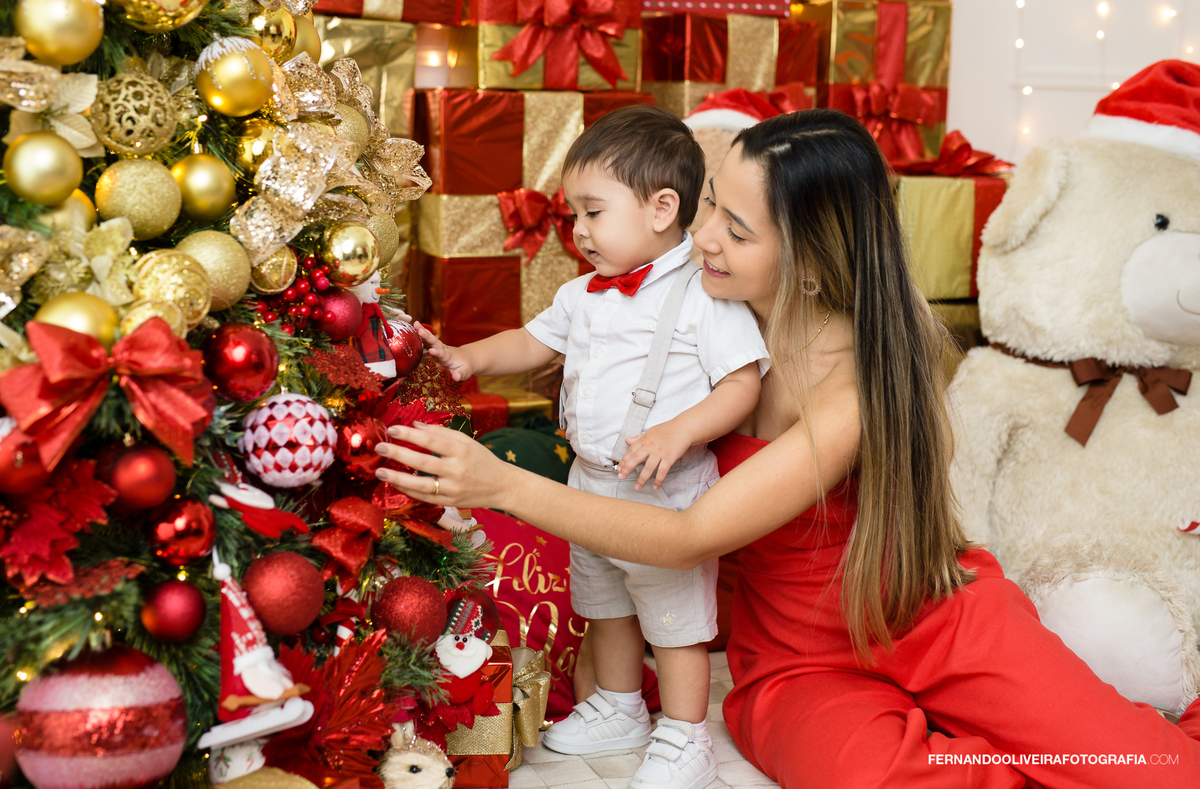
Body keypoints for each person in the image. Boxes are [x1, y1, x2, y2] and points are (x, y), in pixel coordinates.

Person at [377, 110, 1200, 788]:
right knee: (873, 781)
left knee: (1138, 769)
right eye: (707, 211)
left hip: (932, 610)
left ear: (808, 259)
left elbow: (692, 534)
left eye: (735, 229)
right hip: (799, 663)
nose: (702, 241)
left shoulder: (853, 385)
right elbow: (573, 329)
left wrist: (503, 486)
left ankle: (1069, 749)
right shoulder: (694, 303)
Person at [415, 105, 769, 789]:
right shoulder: (583, 294)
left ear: (663, 207)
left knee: (673, 622)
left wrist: (680, 429)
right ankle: (619, 705)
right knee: (604, 605)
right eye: (574, 213)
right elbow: (532, 341)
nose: (577, 231)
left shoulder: (704, 295)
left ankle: (686, 734)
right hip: (590, 479)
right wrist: (466, 358)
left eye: (593, 212)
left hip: (663, 489)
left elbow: (740, 385)